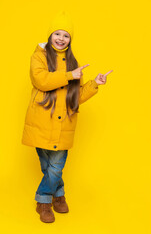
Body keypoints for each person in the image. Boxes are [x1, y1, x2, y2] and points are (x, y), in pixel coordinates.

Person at [21, 11, 113, 223]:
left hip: (64, 124)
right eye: (58, 34)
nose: (61, 39)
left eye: (66, 35)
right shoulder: (38, 57)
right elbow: (41, 80)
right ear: (50, 35)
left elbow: (76, 97)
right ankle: (59, 194)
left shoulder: (73, 62)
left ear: (70, 39)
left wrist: (94, 84)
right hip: (41, 121)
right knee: (47, 166)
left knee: (56, 166)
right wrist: (70, 75)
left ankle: (43, 201)